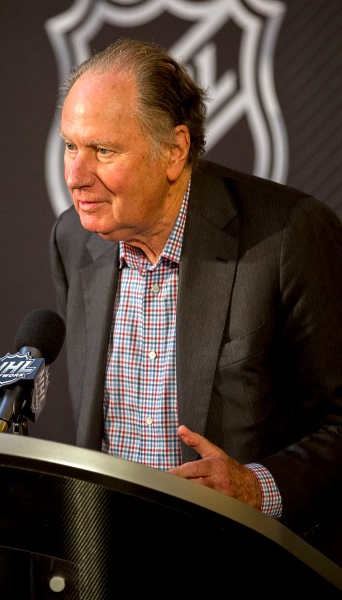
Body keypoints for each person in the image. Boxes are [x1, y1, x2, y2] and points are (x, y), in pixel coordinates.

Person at [50, 38, 342, 565]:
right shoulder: (74, 240)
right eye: (71, 146)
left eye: (103, 150)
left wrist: (257, 487)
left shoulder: (287, 235)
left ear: (175, 150)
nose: (75, 175)